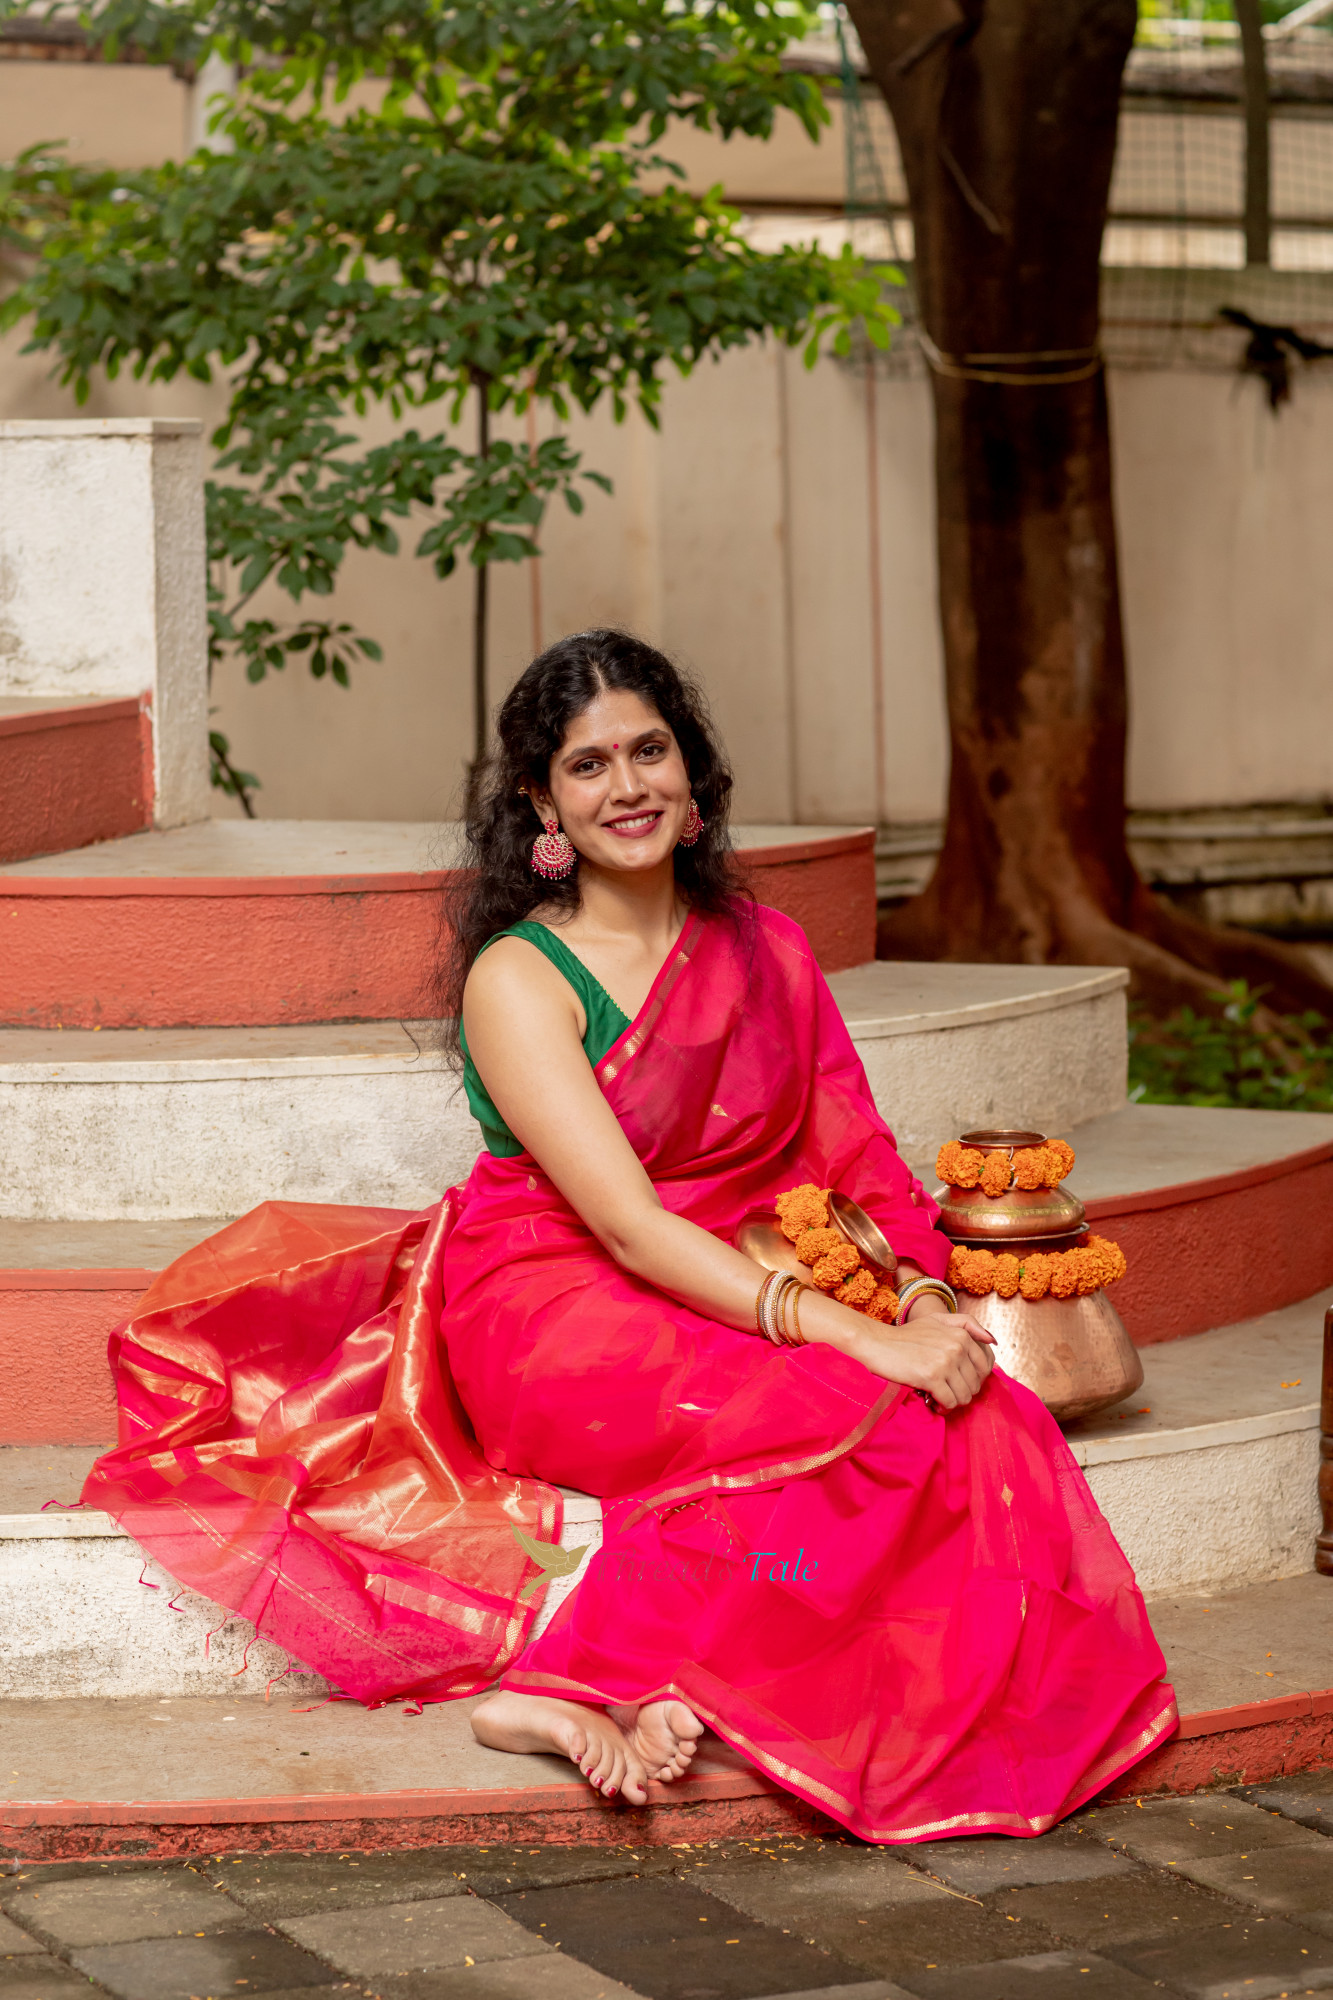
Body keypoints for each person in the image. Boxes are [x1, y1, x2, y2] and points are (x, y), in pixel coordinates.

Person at [84, 629, 1175, 1843]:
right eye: (588, 764)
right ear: (539, 801)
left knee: (982, 1415)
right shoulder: (521, 975)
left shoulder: (768, 950)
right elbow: (629, 1223)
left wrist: (919, 1300)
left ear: (693, 774)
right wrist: (852, 1339)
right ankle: (548, 1691)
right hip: (556, 1295)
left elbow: (852, 1152)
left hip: (739, 1261)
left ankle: (737, 1679)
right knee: (826, 1405)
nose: (628, 786)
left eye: (649, 750)